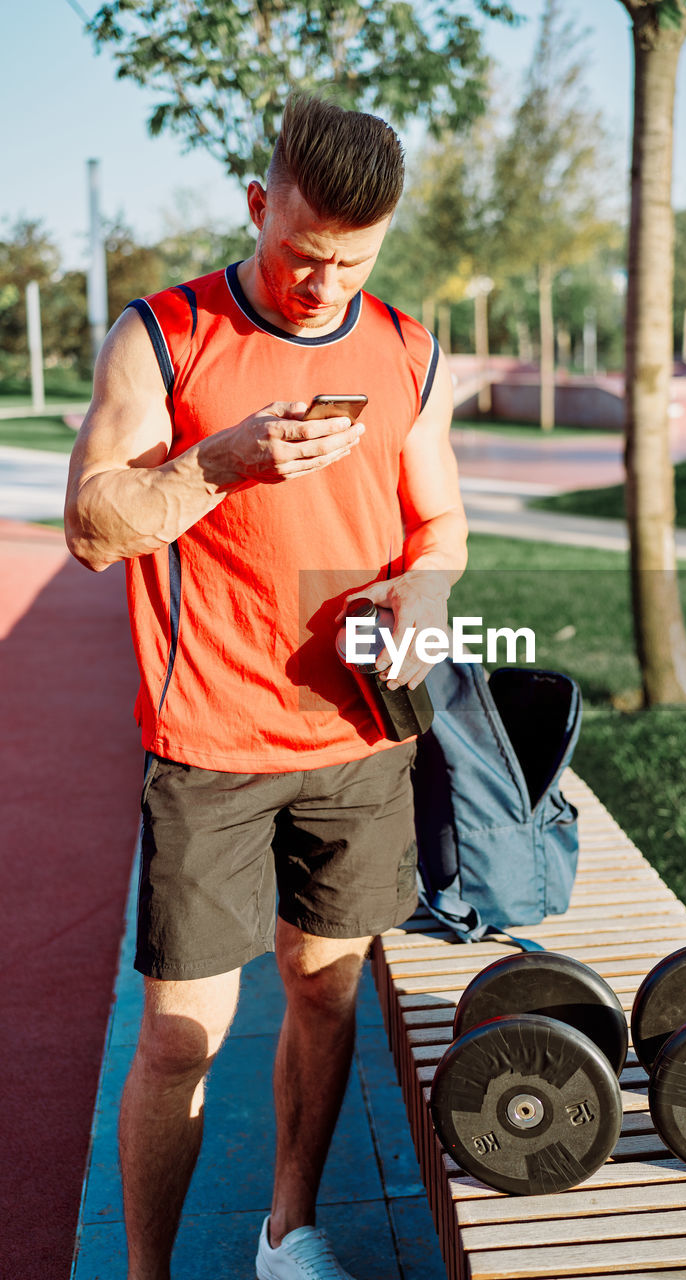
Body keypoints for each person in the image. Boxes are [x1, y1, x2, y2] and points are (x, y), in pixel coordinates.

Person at [65, 94, 467, 1280]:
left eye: (353, 259)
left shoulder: (405, 345)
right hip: (208, 741)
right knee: (183, 1035)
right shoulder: (164, 333)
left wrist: (427, 596)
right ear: (257, 207)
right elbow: (92, 525)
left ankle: (287, 1233)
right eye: (302, 253)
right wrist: (214, 462)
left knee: (326, 992)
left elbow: (438, 525)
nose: (323, 282)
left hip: (356, 736)